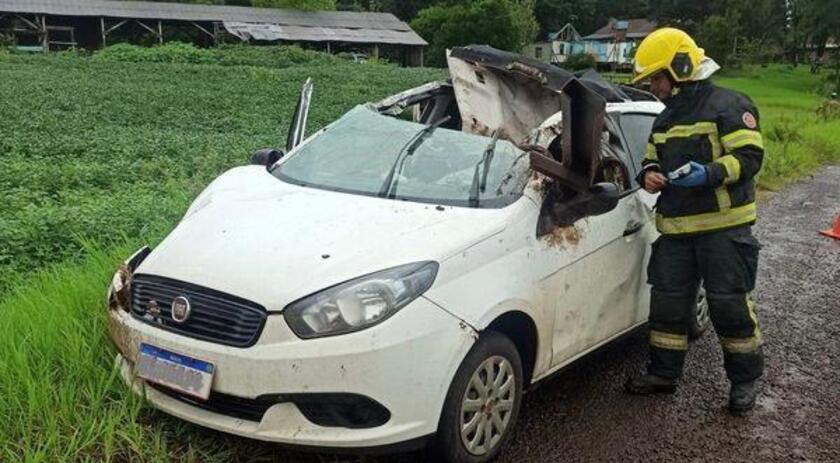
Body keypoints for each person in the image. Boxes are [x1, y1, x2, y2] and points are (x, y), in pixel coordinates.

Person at [625, 28, 765, 414]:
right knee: (668, 308)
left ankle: (743, 382)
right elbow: (649, 160)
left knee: (729, 307)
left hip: (723, 229)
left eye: (656, 77)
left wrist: (710, 173)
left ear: (680, 67)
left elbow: (750, 158)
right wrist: (648, 175)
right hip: (675, 232)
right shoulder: (664, 119)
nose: (653, 86)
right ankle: (663, 375)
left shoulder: (729, 105)